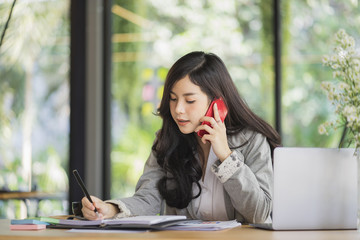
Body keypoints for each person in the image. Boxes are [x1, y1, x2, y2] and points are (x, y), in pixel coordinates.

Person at [81, 51, 281, 224]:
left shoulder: (252, 141)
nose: (178, 110)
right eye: (173, 99)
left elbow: (259, 213)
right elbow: (149, 198)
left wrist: (227, 158)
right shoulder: (167, 140)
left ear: (217, 103)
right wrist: (112, 209)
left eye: (190, 100)